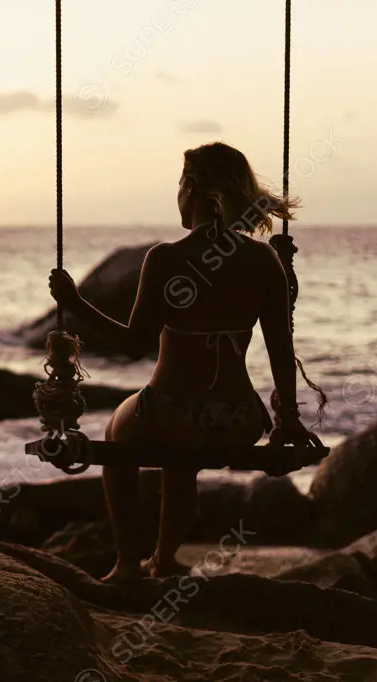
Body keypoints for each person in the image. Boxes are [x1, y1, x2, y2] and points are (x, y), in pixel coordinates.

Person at [48, 142, 326, 582]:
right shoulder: (263, 259)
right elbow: (279, 348)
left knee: (118, 434)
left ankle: (125, 564)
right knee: (184, 462)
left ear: (192, 188)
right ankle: (164, 559)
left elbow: (132, 345)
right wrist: (287, 419)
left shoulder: (167, 258)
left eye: (179, 184)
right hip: (238, 420)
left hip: (171, 416)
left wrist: (75, 303)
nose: (177, 194)